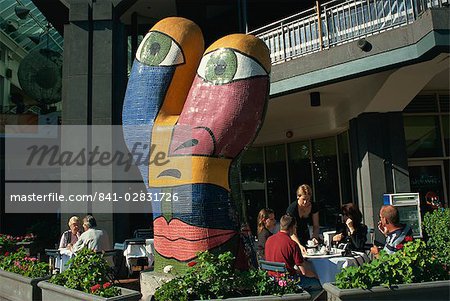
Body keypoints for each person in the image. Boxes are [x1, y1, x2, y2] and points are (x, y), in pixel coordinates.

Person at [265, 214, 321, 290]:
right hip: (288, 281)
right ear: (292, 227)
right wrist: (317, 275)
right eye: (295, 227)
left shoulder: (269, 240)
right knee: (320, 284)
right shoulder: (292, 244)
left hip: (272, 280)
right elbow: (304, 272)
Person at [286, 184, 320, 254]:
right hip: (293, 235)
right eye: (303, 199)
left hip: (305, 232)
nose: (305, 202)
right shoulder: (292, 209)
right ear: (298, 197)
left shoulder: (313, 206)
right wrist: (299, 245)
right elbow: (291, 231)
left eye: (308, 199)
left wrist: (315, 237)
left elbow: (316, 225)